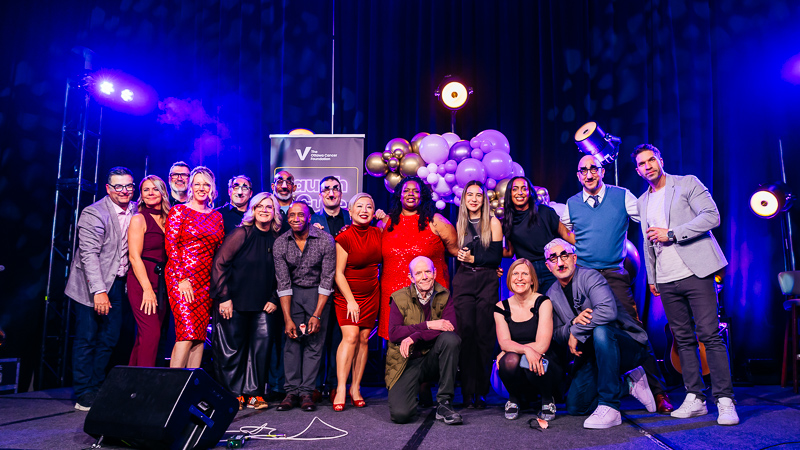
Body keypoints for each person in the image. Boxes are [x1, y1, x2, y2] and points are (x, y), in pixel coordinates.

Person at [633, 143, 738, 425]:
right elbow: (646, 242)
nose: (648, 166)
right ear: (638, 170)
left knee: (710, 335)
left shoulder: (687, 183)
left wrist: (672, 233)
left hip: (697, 271)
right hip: (666, 279)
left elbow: (711, 216)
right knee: (682, 340)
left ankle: (725, 400)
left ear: (660, 160)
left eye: (651, 160)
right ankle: (695, 397)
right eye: (642, 164)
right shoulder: (642, 202)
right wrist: (653, 278)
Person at [560, 154, 673, 414]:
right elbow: (561, 234)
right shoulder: (571, 204)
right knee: (590, 334)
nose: (588, 174)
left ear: (602, 172)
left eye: (593, 169)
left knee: (635, 330)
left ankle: (658, 392)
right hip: (584, 278)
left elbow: (648, 218)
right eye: (583, 170)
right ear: (578, 175)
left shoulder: (622, 196)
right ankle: (608, 388)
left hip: (614, 274)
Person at [544, 238, 657, 429]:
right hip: (594, 356)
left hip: (627, 346)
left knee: (601, 330)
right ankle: (629, 384)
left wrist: (577, 331)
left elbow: (607, 311)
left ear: (574, 257)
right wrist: (572, 324)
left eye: (564, 255)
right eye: (553, 258)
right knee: (576, 406)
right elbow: (555, 333)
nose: (560, 262)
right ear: (548, 266)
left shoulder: (590, 276)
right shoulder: (551, 294)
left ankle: (610, 406)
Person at [65, 167, 137, 411]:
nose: (124, 191)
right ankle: (84, 392)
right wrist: (98, 291)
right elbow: (89, 255)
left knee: (110, 338)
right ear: (108, 189)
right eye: (118, 186)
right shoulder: (93, 213)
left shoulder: (135, 210)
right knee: (87, 338)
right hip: (89, 285)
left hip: (117, 283)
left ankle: (96, 385)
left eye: (128, 186)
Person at [211, 192, 281, 411]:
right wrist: (224, 297)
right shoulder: (242, 233)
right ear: (253, 209)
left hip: (263, 305)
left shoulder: (278, 238)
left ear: (275, 212)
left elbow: (284, 272)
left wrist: (274, 298)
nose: (264, 210)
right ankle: (232, 395)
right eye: (259, 206)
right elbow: (220, 264)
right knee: (231, 350)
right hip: (234, 301)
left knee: (259, 351)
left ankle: (252, 395)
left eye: (269, 207)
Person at [273, 201, 336, 412]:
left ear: (309, 217)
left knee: (314, 342)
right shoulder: (281, 243)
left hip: (318, 294)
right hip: (292, 293)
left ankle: (307, 392)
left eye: (301, 214)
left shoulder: (325, 240)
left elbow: (328, 278)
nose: (296, 218)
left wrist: (317, 314)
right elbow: (283, 283)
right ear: (287, 218)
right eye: (292, 215)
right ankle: (291, 392)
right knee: (292, 342)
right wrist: (288, 318)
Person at [378, 176, 459, 341]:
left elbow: (456, 252)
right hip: (393, 293)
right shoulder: (385, 224)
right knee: (397, 347)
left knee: (430, 341)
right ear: (399, 195)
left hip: (429, 294)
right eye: (406, 190)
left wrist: (488, 265)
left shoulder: (437, 222)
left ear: (423, 196)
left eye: (416, 191)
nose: (411, 194)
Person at [386, 256, 462, 425]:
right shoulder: (399, 298)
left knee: (450, 340)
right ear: (411, 278)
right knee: (401, 415)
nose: (424, 276)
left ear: (434, 273)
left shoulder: (444, 295)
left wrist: (417, 335)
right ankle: (419, 388)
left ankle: (444, 403)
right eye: (418, 273)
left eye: (428, 271)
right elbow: (394, 333)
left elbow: (450, 328)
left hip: (431, 359)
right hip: (406, 362)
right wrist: (429, 325)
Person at [165, 166, 224, 369]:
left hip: (206, 282)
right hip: (181, 279)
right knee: (186, 334)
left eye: (206, 184)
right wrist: (182, 280)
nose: (201, 188)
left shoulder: (216, 216)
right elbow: (171, 247)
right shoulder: (179, 210)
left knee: (198, 337)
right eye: (197, 183)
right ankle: (172, 392)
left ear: (212, 188)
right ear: (190, 186)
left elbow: (219, 252)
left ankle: (189, 390)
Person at [453, 180, 503, 409]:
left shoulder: (493, 222)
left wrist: (474, 258)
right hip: (464, 280)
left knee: (484, 335)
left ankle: (481, 392)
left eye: (478, 195)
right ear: (464, 199)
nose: (473, 199)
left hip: (487, 281)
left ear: (484, 200)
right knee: (466, 334)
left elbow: (495, 258)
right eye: (469, 194)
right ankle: (466, 391)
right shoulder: (458, 223)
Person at [330, 193, 382, 411]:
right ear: (349, 212)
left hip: (372, 293)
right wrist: (351, 301)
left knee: (363, 339)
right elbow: (338, 273)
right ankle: (341, 387)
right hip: (347, 295)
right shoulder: (344, 237)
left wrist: (385, 217)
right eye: (359, 206)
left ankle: (356, 388)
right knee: (350, 336)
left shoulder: (379, 233)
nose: (364, 210)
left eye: (368, 206)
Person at [494, 258, 561, 422]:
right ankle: (514, 398)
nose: (519, 278)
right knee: (509, 360)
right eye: (515, 274)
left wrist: (518, 349)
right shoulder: (501, 307)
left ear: (532, 280)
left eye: (525, 274)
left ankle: (547, 400)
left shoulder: (543, 302)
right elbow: (504, 342)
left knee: (525, 358)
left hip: (544, 365)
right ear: (509, 279)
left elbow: (543, 345)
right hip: (519, 362)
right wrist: (524, 350)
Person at [310, 175, 352, 400]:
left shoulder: (351, 217)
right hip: (319, 286)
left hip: (346, 286)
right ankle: (315, 385)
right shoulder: (311, 220)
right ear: (320, 194)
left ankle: (337, 383)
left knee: (339, 337)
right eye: (326, 189)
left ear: (341, 193)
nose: (331, 192)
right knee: (318, 338)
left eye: (336, 188)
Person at [503, 176, 574, 294]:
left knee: (557, 307)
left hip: (551, 266)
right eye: (515, 189)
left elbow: (566, 234)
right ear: (509, 193)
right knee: (532, 309)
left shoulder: (544, 211)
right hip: (528, 270)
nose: (520, 193)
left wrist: (587, 247)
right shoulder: (508, 221)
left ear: (530, 192)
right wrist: (486, 254)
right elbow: (510, 252)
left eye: (524, 189)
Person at [126, 175, 170, 367]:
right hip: (143, 280)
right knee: (151, 334)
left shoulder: (171, 218)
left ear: (163, 192)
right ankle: (145, 387)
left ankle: (130, 384)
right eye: (146, 190)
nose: (151, 193)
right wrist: (147, 289)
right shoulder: (138, 218)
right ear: (141, 195)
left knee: (147, 337)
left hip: (163, 281)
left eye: (155, 189)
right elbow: (134, 257)